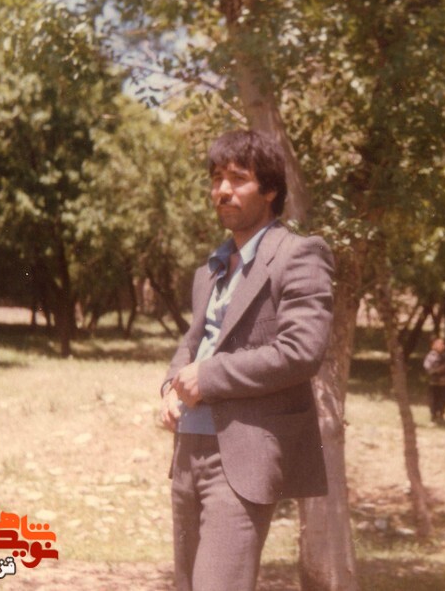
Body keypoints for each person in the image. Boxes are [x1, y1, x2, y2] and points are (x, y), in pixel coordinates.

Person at [158, 129, 333, 591]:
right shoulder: (211, 269)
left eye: (238, 179)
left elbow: (301, 351)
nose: (222, 190)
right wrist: (171, 386)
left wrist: (209, 377)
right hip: (188, 450)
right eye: (216, 178)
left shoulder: (299, 255)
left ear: (270, 189)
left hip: (243, 456)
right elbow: (195, 341)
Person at [423, 337, 445, 423]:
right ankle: (433, 416)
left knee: (443, 399)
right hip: (434, 382)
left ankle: (441, 415)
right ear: (433, 346)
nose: (441, 346)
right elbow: (427, 367)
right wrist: (437, 370)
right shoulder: (430, 356)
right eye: (438, 344)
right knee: (433, 400)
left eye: (442, 344)